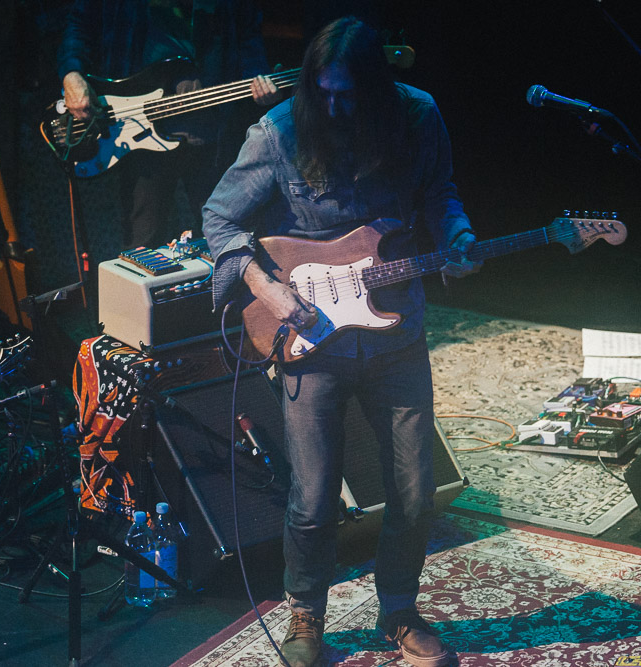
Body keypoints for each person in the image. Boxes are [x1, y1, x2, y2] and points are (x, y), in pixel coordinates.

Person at [202, 17, 480, 667]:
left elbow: (440, 194)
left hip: (396, 331)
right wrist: (266, 290)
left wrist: (459, 236)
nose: (333, 106)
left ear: (377, 88)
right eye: (323, 92)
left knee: (413, 489)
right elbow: (219, 218)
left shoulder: (417, 118)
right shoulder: (278, 133)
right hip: (310, 340)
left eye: (348, 94)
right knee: (315, 492)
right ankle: (305, 615)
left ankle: (400, 610)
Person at [57, 0, 284, 251]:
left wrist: (258, 76)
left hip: (212, 127)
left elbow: (246, 32)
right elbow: (80, 20)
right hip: (136, 126)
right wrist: (72, 72)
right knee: (143, 245)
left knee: (227, 241)